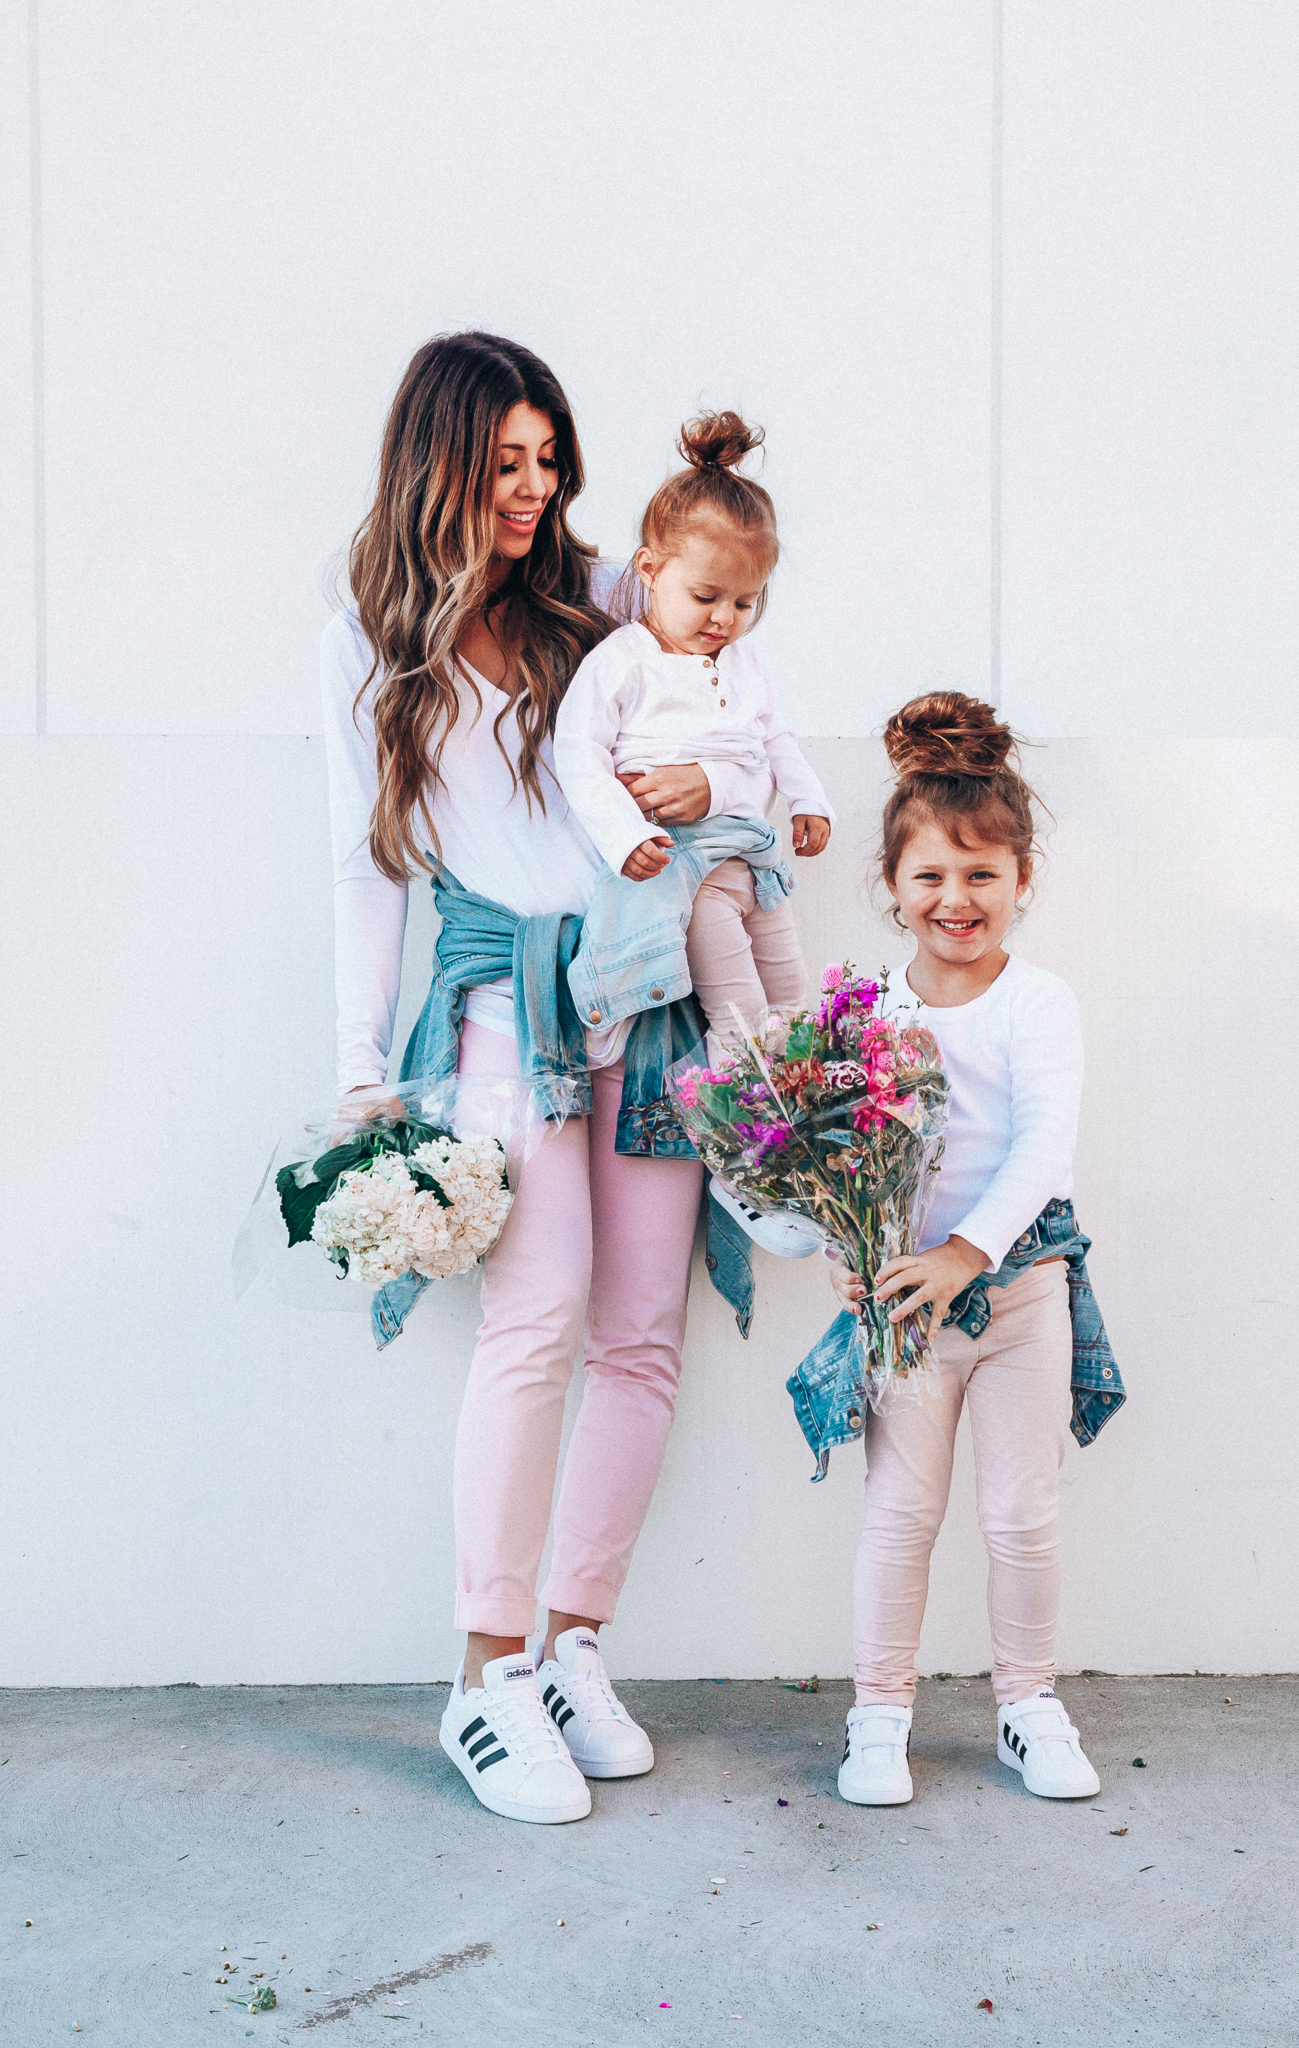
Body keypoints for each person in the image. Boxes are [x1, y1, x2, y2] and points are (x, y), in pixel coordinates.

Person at [320, 332, 720, 1826]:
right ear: (438, 459)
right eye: (504, 462)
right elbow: (364, 866)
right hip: (504, 1001)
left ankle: (572, 1649)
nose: (532, 488)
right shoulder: (369, 631)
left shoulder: (601, 593)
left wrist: (713, 786)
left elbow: (726, 706)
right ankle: (483, 1676)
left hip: (649, 989)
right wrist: (363, 1073)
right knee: (536, 1316)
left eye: (548, 460)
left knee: (640, 1334)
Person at [826, 692, 1103, 1807]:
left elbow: (1042, 1142)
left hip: (1021, 1293)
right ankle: (877, 1714)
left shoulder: (1036, 1003)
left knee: (1018, 1512)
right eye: (931, 875)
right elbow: (833, 1151)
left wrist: (966, 1256)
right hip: (906, 1309)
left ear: (1022, 879)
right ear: (892, 887)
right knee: (899, 1513)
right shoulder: (866, 1012)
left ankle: (1026, 1703)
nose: (956, 898)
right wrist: (849, 1244)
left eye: (982, 874)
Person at [553, 410, 832, 1054]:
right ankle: (744, 1114)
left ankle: (810, 1102)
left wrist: (809, 800)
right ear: (649, 569)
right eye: (706, 595)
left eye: (744, 602)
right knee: (738, 1013)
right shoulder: (622, 661)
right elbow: (579, 754)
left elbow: (775, 739)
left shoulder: (743, 662)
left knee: (792, 997)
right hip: (686, 871)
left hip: (755, 859)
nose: (724, 619)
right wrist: (624, 835)